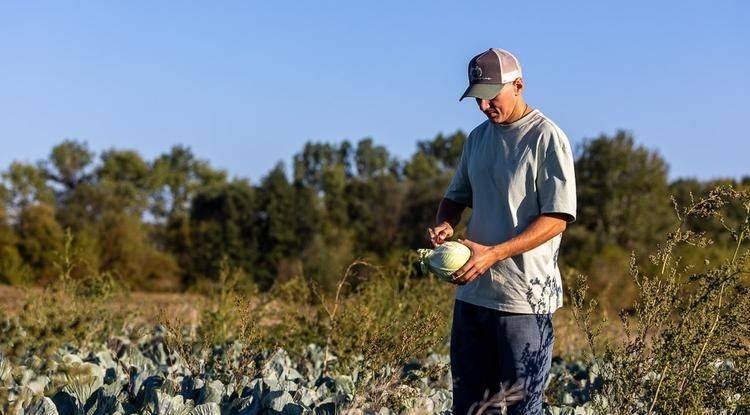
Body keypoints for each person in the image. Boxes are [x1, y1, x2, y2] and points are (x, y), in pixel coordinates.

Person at [427, 48, 577, 415]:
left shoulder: (546, 138)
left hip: (524, 301)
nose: (483, 107)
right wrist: (446, 223)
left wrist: (494, 253)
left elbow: (557, 217)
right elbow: (454, 197)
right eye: (477, 98)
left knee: (523, 408)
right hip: (472, 296)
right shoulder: (477, 139)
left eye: (491, 96)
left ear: (519, 85)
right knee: (471, 407)